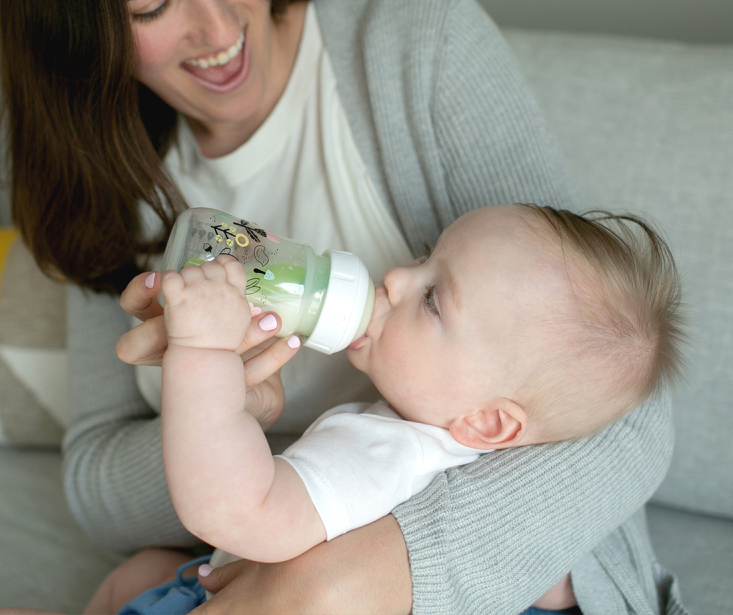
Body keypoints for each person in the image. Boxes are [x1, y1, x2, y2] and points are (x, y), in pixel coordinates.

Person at [0, 0, 685, 613]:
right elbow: (94, 484)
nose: (219, 29)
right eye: (152, 4)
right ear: (75, 26)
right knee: (138, 576)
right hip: (272, 522)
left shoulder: (413, 50)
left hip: (455, 571)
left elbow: (623, 398)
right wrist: (224, 403)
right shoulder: (109, 178)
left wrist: (354, 576)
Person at [104, 204, 683, 614]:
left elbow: (235, 511)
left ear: (488, 421)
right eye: (427, 256)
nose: (398, 275)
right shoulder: (460, 452)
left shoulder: (383, 450)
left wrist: (201, 357)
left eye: (432, 298)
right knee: (141, 570)